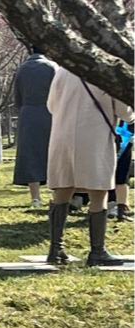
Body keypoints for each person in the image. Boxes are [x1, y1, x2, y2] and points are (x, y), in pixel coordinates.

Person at [44, 66, 130, 266]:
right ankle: (97, 251)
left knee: (62, 190)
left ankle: (55, 248)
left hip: (62, 134)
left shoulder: (63, 69)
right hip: (95, 136)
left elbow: (50, 105)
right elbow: (125, 112)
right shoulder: (106, 72)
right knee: (98, 190)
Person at [12, 45, 57, 208]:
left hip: (28, 113)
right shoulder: (52, 67)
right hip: (49, 112)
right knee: (52, 153)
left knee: (30, 154)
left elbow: (17, 97)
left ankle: (35, 197)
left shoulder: (21, 69)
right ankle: (56, 194)